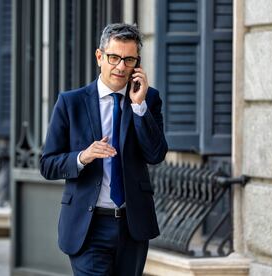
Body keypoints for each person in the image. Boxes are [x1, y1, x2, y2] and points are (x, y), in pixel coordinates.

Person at [40, 23, 168, 275]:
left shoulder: (148, 99)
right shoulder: (71, 102)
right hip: (88, 226)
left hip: (132, 226)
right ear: (100, 57)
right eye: (114, 57)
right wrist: (82, 157)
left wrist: (139, 107)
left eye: (129, 59)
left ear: (137, 64)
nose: (121, 66)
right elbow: (47, 164)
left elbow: (155, 154)